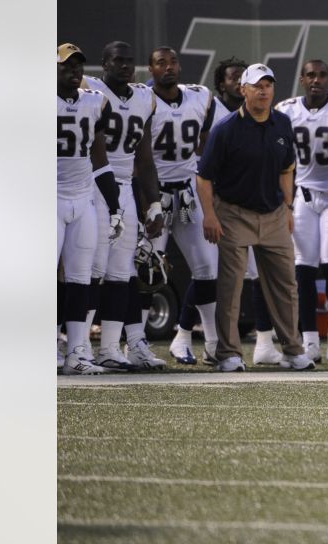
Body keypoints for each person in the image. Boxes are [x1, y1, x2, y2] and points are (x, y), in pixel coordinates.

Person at [197, 64, 314, 372]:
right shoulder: (226, 129)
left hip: (274, 213)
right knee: (231, 287)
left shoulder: (283, 123)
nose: (264, 90)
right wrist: (210, 214)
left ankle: (293, 349)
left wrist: (288, 208)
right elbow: (204, 177)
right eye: (257, 85)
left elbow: (287, 168)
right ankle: (229, 354)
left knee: (286, 285)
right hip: (234, 213)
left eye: (268, 85)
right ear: (243, 90)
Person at [83, 42, 167, 371]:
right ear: (103, 64)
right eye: (118, 60)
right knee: (93, 269)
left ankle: (109, 348)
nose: (125, 66)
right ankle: (76, 345)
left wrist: (155, 204)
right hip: (92, 184)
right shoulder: (91, 89)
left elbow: (144, 158)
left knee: (120, 272)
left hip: (125, 188)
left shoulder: (145, 98)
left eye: (130, 62)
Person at [273, 60, 328, 364]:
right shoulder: (287, 109)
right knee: (304, 269)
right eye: (311, 75)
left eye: (322, 75)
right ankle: (309, 339)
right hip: (304, 195)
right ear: (302, 79)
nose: (316, 80)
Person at [145, 47, 220, 365]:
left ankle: (213, 341)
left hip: (188, 194)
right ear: (151, 69)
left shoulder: (199, 96)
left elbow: (205, 140)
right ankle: (135, 343)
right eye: (161, 63)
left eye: (173, 61)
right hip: (156, 194)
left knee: (206, 268)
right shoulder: (142, 100)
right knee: (147, 270)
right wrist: (147, 202)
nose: (169, 67)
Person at [57, 43, 125, 374]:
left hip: (82, 199)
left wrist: (115, 206)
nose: (74, 71)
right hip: (50, 199)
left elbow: (100, 158)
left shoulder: (94, 103)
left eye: (78, 66)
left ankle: (77, 352)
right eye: (67, 65)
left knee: (81, 279)